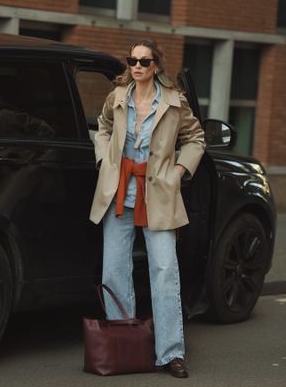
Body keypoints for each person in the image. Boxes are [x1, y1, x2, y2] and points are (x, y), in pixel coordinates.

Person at [89, 39, 205, 378]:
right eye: (132, 60)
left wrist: (179, 172)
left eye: (144, 61)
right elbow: (103, 128)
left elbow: (196, 139)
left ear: (156, 66)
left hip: (158, 195)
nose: (137, 66)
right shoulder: (117, 97)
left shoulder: (173, 102)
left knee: (165, 270)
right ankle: (122, 344)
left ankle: (171, 354)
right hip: (119, 193)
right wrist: (104, 160)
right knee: (114, 270)